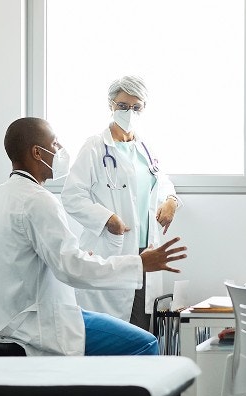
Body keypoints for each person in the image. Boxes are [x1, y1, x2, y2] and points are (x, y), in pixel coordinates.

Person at [0, 117, 187, 396]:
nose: (59, 151)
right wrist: (140, 262)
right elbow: (71, 267)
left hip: (1, 322)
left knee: (94, 337)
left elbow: (32, 263)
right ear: (36, 152)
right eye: (55, 145)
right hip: (36, 324)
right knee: (143, 345)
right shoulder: (38, 201)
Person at [62, 75, 181, 331]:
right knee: (113, 328)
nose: (129, 112)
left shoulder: (145, 148)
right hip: (113, 249)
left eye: (136, 107)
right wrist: (107, 219)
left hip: (147, 251)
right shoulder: (95, 147)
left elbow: (161, 183)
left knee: (143, 326)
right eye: (123, 106)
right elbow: (72, 196)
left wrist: (172, 200)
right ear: (111, 105)